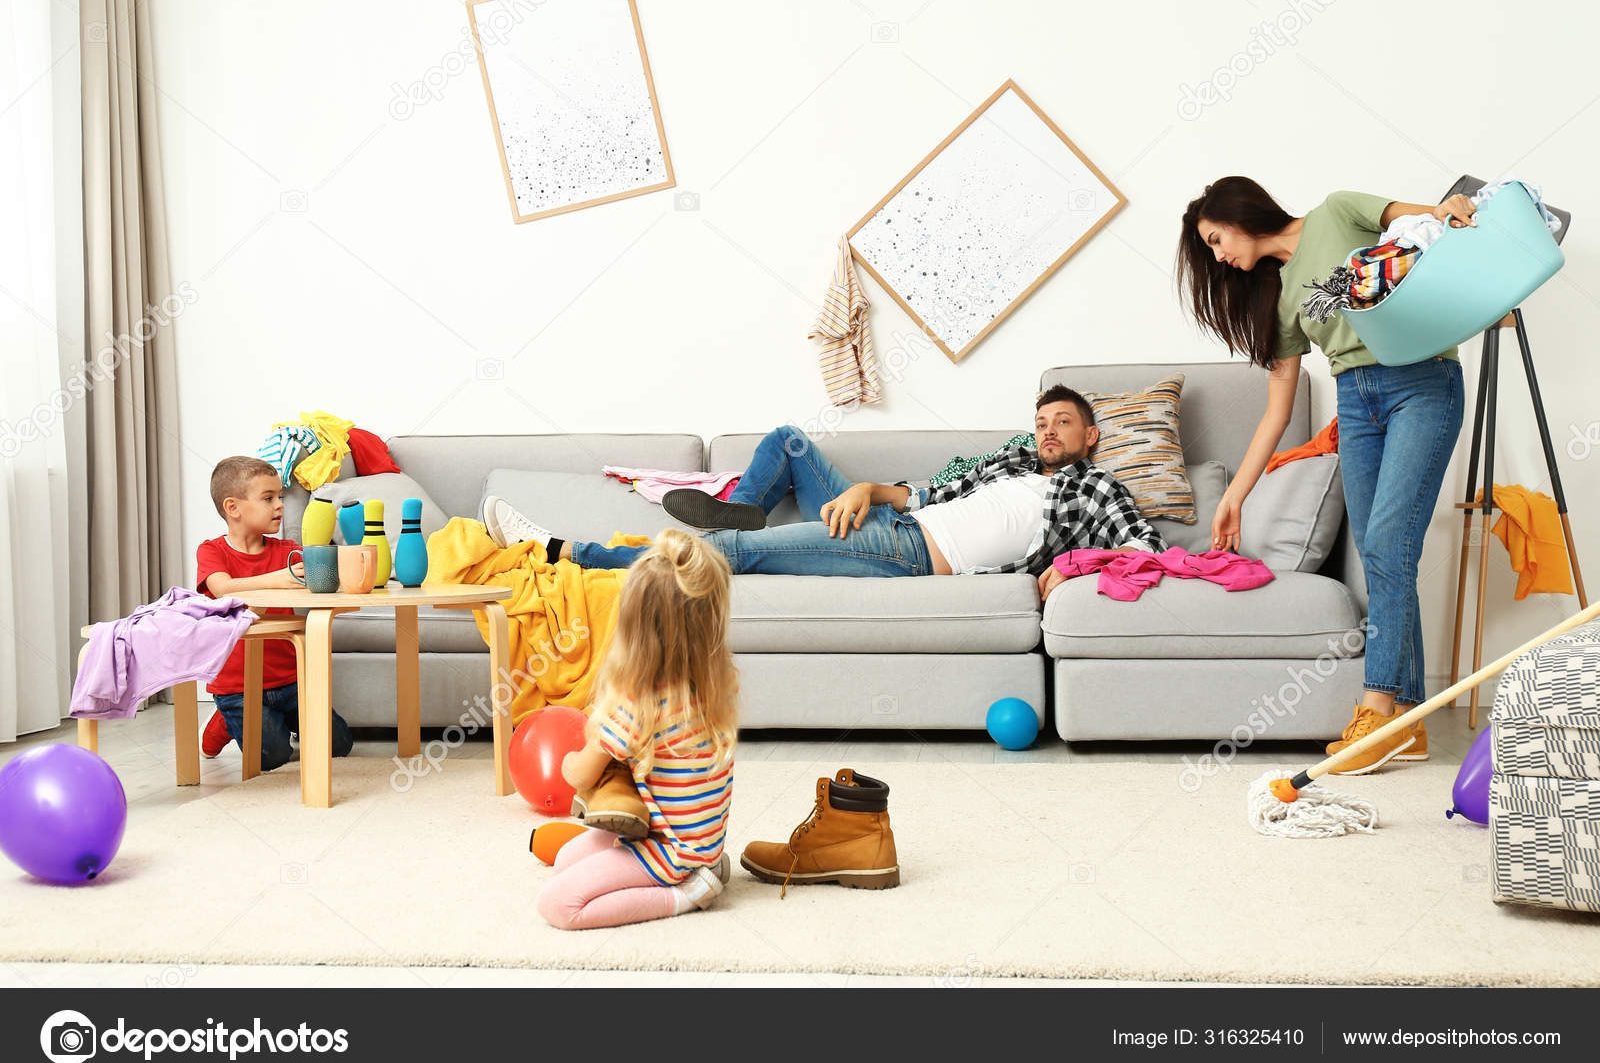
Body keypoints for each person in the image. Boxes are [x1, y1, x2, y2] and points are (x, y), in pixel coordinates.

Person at [1177, 177, 1471, 775]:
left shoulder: (1337, 212)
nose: (1218, 255)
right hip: (1356, 404)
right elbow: (1278, 408)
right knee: (1380, 552)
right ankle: (1407, 723)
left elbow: (1429, 218)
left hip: (1422, 383)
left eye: (1214, 240)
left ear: (1238, 214)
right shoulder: (1283, 292)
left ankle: (1375, 709)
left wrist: (1457, 208)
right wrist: (1236, 494)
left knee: (1389, 544)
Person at [482, 386, 1165, 603]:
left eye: (1062, 424)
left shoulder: (1093, 487)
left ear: (1091, 434)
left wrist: (1075, 564)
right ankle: (748, 499)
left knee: (731, 552)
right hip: (897, 518)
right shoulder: (1008, 461)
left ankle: (567, 552)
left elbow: (1148, 550)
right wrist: (868, 487)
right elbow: (925, 492)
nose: (1046, 433)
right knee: (790, 439)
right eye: (1041, 422)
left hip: (910, 551)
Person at [536, 529, 739, 930]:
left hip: (669, 851)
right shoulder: (716, 685)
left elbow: (579, 775)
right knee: (563, 861)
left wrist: (575, 755)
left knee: (558, 905)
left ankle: (688, 893)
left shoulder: (637, 707)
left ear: (632, 627)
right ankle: (709, 865)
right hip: (697, 840)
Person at [196, 456, 354, 772]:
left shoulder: (287, 551)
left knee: (339, 745)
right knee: (271, 758)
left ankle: (273, 720)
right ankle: (225, 721)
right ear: (233, 508)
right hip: (237, 687)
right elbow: (224, 588)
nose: (279, 505)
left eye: (280, 497)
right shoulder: (212, 551)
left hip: (290, 680)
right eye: (268, 498)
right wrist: (280, 579)